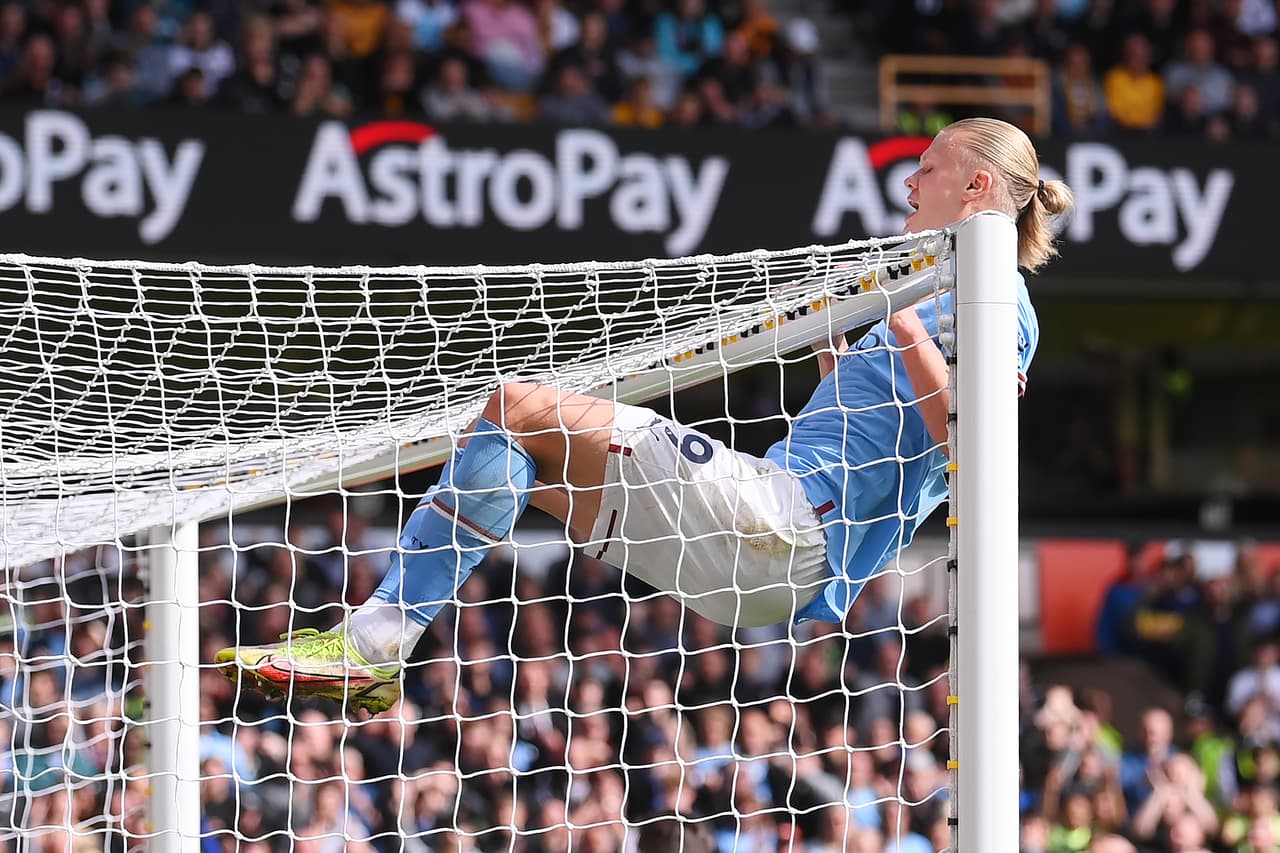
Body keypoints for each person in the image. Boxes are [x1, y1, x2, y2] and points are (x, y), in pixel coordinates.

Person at [216, 117, 1075, 714]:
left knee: (516, 403)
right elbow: (881, 420)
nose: (910, 180)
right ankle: (372, 646)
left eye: (927, 166)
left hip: (785, 528)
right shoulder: (932, 290)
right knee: (514, 449)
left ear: (977, 184)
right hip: (766, 572)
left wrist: (901, 317)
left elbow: (974, 439)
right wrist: (838, 349)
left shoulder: (997, 296)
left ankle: (376, 641)